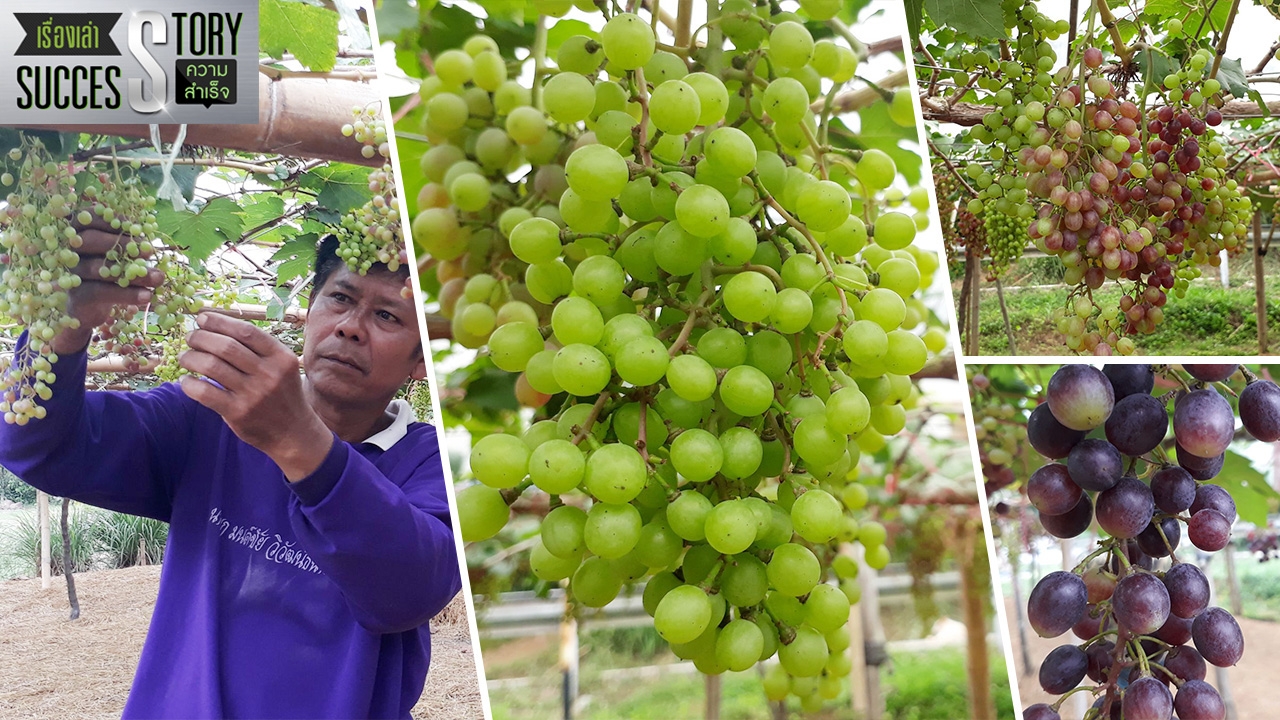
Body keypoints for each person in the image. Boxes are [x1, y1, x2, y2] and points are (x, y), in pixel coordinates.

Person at [0, 220, 462, 719]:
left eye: (389, 316)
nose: (351, 326)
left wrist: (299, 443)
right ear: (308, 312)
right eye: (340, 299)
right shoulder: (206, 417)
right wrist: (61, 331)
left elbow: (409, 591)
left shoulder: (434, 462)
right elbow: (37, 446)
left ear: (421, 362)